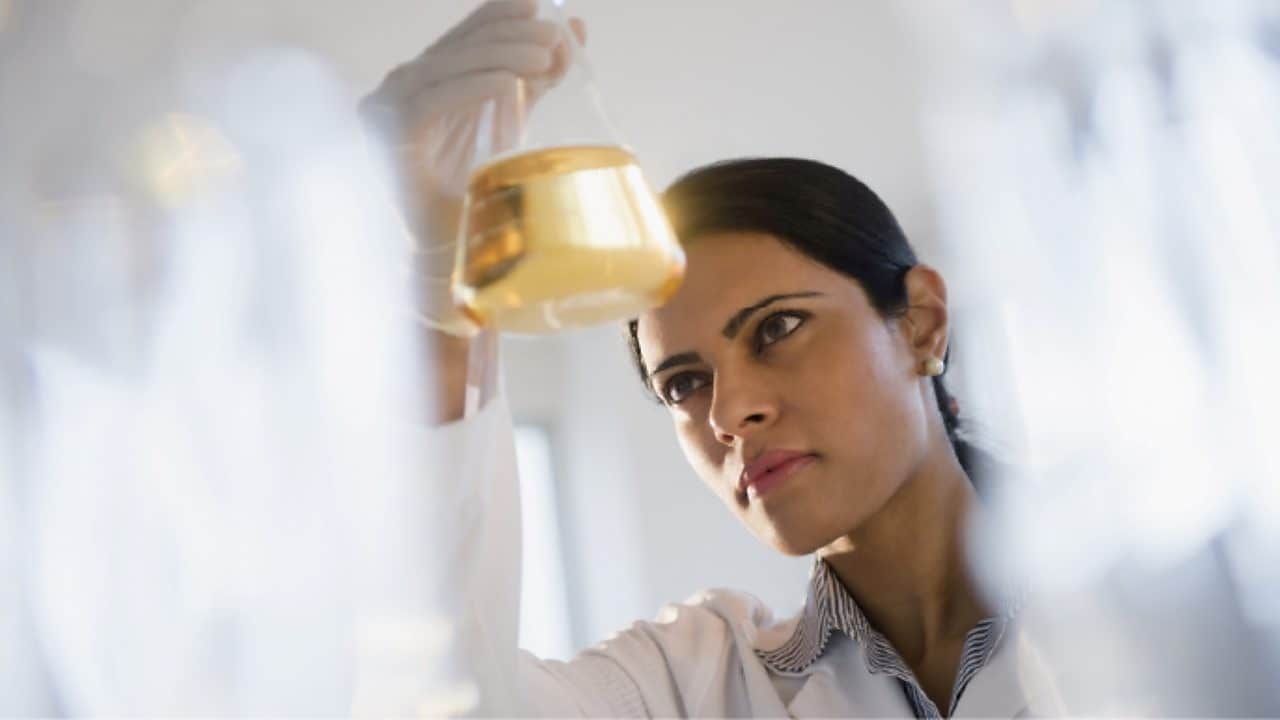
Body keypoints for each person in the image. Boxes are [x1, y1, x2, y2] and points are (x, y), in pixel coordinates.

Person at [360, 1, 1055, 716]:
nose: (727, 412)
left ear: (922, 325)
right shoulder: (690, 684)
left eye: (779, 327)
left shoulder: (1131, 585)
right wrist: (437, 301)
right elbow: (458, 699)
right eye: (684, 382)